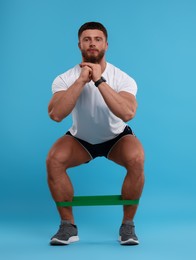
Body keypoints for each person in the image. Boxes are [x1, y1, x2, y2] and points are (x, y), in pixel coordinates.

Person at [46, 22, 145, 246]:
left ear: (106, 45)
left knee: (137, 157)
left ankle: (127, 226)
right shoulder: (64, 78)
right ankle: (68, 227)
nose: (92, 43)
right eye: (87, 39)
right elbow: (55, 114)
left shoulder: (123, 78)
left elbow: (128, 113)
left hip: (116, 138)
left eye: (97, 39)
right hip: (81, 140)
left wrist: (99, 80)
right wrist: (82, 80)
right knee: (54, 160)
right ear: (79, 44)